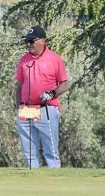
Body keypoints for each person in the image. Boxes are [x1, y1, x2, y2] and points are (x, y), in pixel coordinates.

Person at [13, 25, 70, 168]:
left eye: (32, 41)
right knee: (29, 152)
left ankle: (55, 184)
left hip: (47, 109)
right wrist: (19, 106)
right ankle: (33, 183)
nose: (28, 44)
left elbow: (65, 84)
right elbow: (19, 86)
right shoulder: (24, 60)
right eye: (27, 41)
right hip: (27, 109)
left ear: (42, 41)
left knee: (51, 151)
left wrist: (52, 94)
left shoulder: (54, 59)